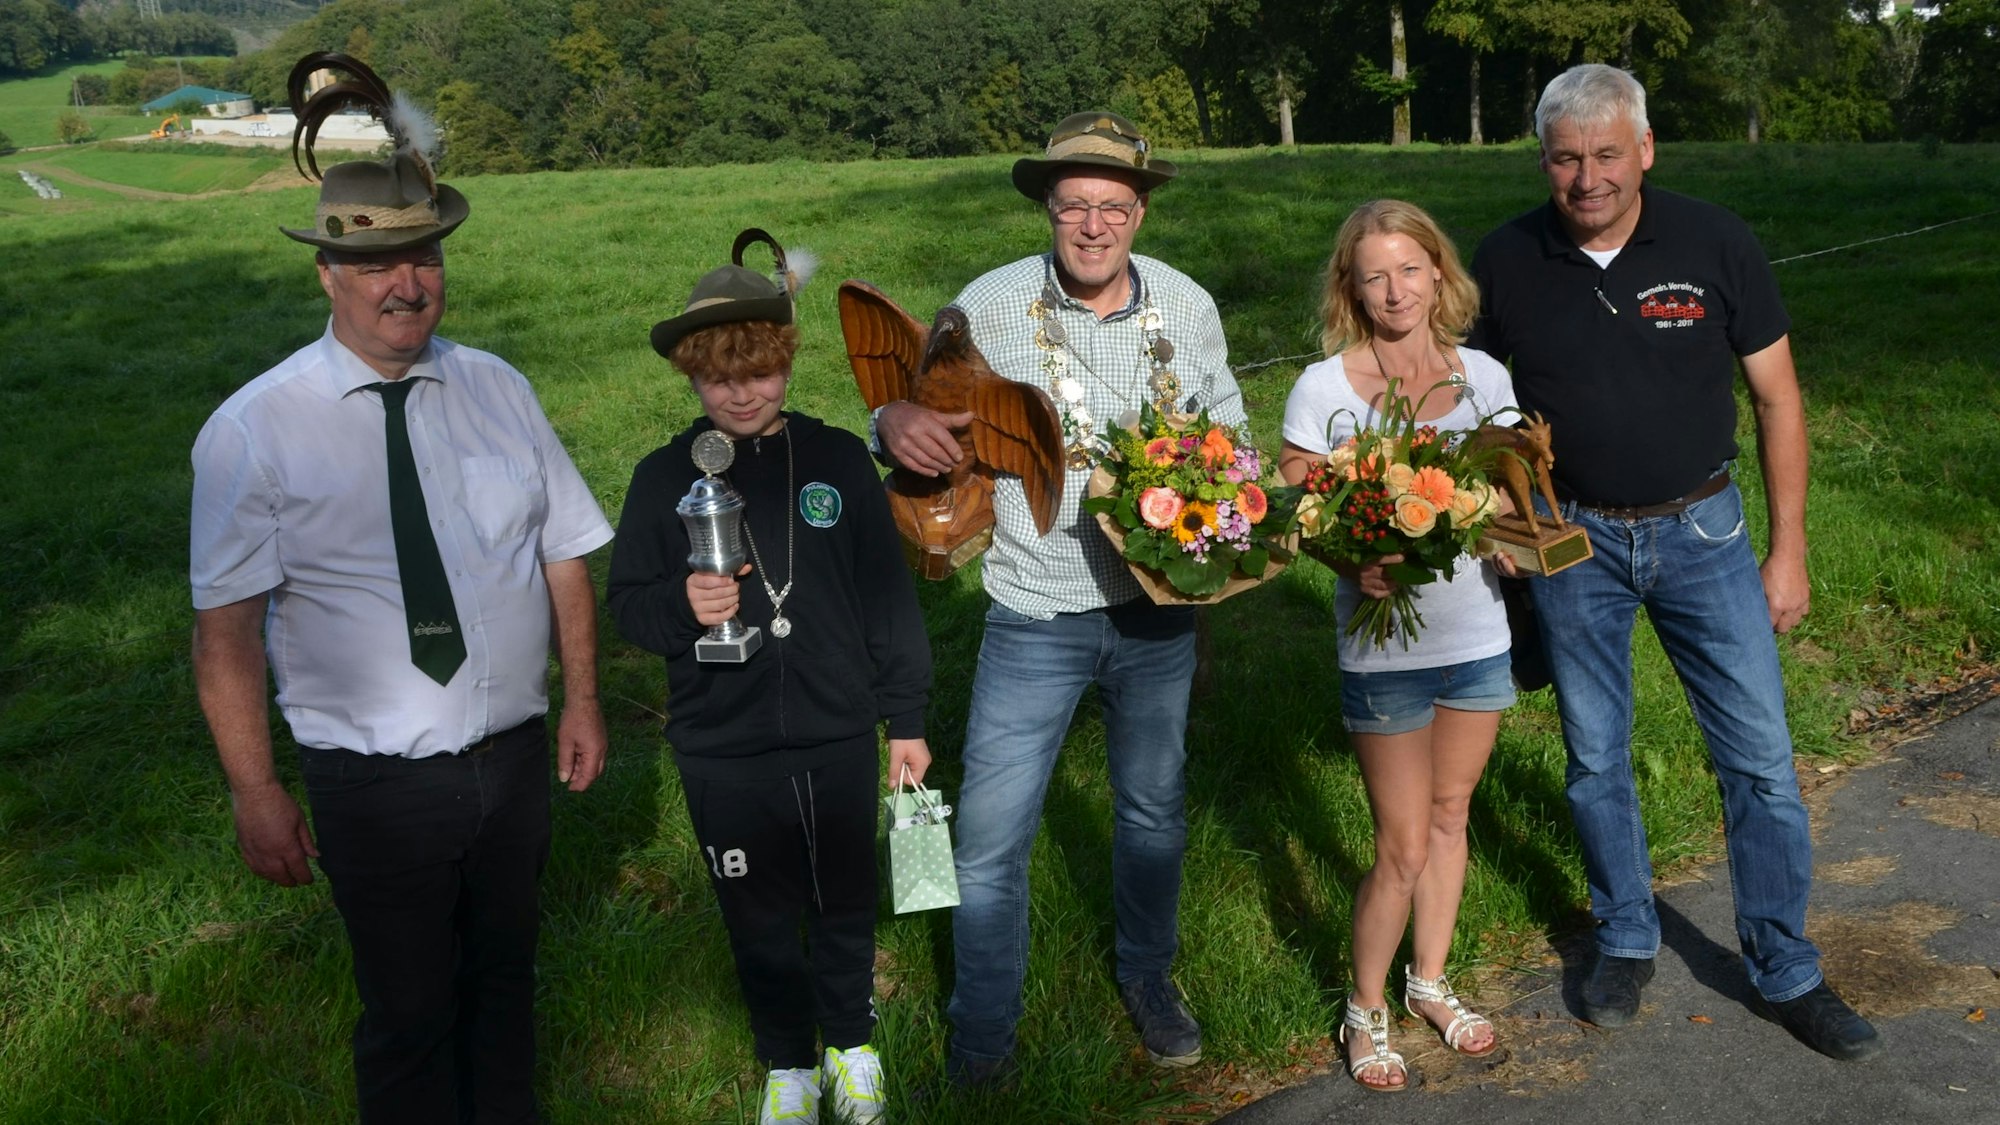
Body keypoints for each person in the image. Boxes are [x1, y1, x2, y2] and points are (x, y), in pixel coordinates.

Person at [189, 62, 614, 1123]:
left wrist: (584, 700)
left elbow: (562, 550)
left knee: (506, 987)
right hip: (372, 784)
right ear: (328, 271)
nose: (406, 284)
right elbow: (226, 635)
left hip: (512, 763)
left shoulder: (497, 388)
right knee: (410, 1013)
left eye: (422, 257)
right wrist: (255, 789)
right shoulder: (255, 431)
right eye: (376, 263)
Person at [1468, 63, 1880, 1060]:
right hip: (1574, 541)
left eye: (1606, 154)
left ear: (1643, 150)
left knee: (1758, 762)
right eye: (1565, 159)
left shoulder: (1713, 241)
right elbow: (1473, 410)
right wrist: (1499, 521)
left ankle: (1782, 964)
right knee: (1594, 757)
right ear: (1543, 161)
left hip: (1704, 533)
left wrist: (1789, 551)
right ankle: (1622, 938)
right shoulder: (1504, 259)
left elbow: (1778, 399)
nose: (1586, 178)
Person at [873, 111, 1249, 1083]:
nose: (1091, 226)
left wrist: (1215, 517)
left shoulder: (1186, 304)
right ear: (1048, 207)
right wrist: (891, 417)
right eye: (1073, 205)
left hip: (1157, 611)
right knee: (993, 835)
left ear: (1139, 209)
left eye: (1111, 206)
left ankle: (1147, 978)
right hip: (1032, 612)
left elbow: (1233, 444)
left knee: (1152, 814)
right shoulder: (990, 306)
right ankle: (981, 1036)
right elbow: (916, 397)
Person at [607, 231, 933, 1125]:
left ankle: (851, 1045)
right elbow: (627, 606)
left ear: (785, 361)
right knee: (754, 908)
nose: (741, 392)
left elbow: (886, 601)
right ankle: (787, 1059)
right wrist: (685, 603)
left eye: (757, 371)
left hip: (835, 729)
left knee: (841, 897)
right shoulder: (662, 478)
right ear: (690, 376)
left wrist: (904, 717)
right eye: (718, 377)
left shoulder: (834, 463)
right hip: (722, 743)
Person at [1278, 199, 1520, 1091]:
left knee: (1453, 818)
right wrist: (1358, 560)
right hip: (1383, 654)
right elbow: (1302, 518)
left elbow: (1511, 494)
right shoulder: (1325, 389)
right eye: (1374, 274)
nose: (1395, 290)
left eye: (1410, 268)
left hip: (1476, 636)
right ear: (1352, 285)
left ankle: (1429, 981)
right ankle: (1364, 1004)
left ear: (1438, 273)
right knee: (1402, 845)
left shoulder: (1486, 377)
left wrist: (1523, 542)